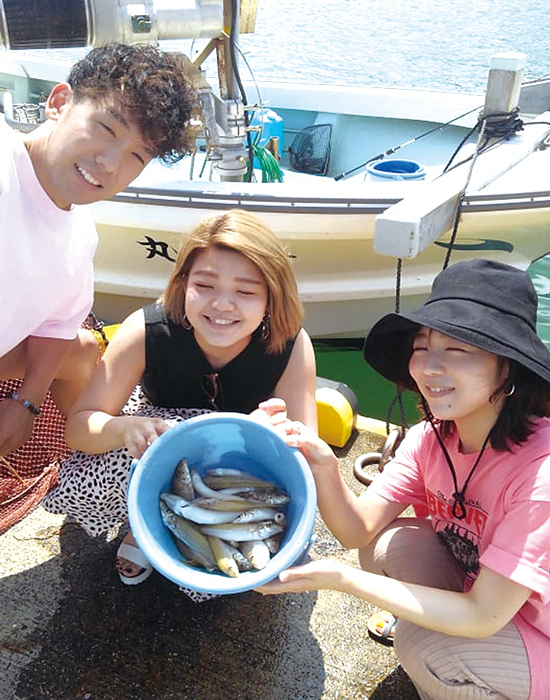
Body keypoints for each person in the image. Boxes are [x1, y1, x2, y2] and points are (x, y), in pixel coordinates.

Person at [258, 259, 550, 700]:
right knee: (387, 544)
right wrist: (320, 462)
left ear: (507, 368)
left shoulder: (540, 474)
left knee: (426, 649)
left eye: (458, 349)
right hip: (488, 590)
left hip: (532, 626)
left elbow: (483, 616)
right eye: (422, 346)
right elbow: (358, 529)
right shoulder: (431, 439)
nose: (429, 367)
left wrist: (340, 579)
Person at [43, 209, 317, 591]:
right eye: (205, 285)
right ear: (183, 282)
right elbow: (80, 428)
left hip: (240, 459)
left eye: (245, 291)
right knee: (108, 467)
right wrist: (124, 427)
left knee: (287, 530)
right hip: (159, 438)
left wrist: (277, 433)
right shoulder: (146, 329)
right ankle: (143, 525)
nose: (222, 305)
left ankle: (185, 535)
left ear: (272, 296)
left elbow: (307, 449)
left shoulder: (291, 345)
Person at [0, 42, 197, 460]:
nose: (110, 164)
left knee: (84, 348)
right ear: (59, 102)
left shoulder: (80, 236)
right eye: (106, 129)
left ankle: (97, 464)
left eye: (136, 156)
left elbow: (57, 325)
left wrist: (27, 401)